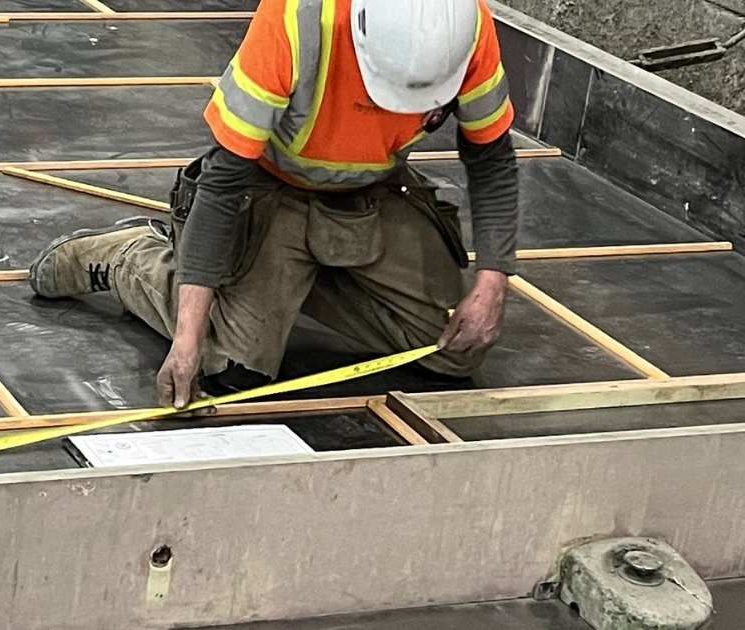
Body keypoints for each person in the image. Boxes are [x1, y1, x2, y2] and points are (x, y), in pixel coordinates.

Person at [29, 0, 519, 408]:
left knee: (457, 348)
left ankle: (289, 282)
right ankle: (129, 258)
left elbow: (491, 157)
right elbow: (224, 183)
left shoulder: (461, 24)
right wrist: (187, 338)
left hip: (371, 196)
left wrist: (493, 281)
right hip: (270, 187)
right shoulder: (295, 20)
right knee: (228, 363)